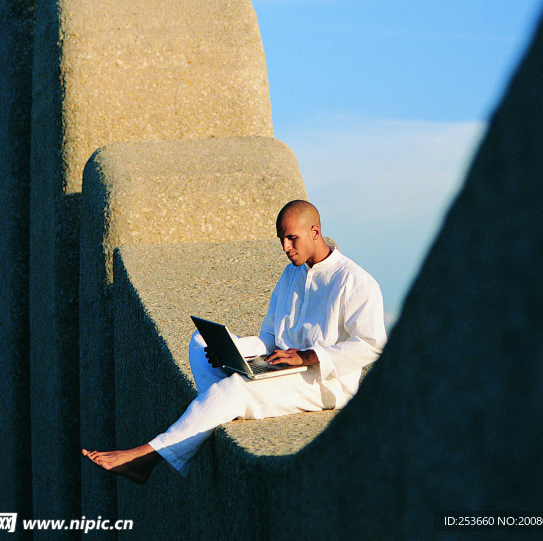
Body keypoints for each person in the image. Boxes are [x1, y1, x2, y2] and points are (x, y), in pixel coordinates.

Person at [82, 199, 386, 480]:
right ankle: (215, 410)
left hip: (326, 383)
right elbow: (270, 337)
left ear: (315, 232)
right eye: (281, 239)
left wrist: (308, 356)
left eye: (292, 238)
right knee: (201, 343)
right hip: (284, 369)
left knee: (235, 390)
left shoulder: (354, 281)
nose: (285, 247)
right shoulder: (291, 275)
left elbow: (372, 345)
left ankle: (146, 456)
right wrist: (233, 350)